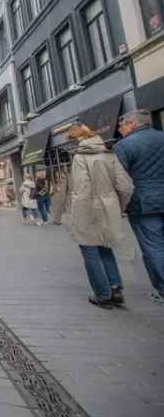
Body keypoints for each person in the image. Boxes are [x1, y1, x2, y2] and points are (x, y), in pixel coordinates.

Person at [52, 123, 133, 309]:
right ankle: (115, 288)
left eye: (70, 141)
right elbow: (125, 187)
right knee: (105, 246)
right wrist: (116, 207)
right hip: (108, 207)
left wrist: (73, 217)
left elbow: (81, 190)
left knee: (90, 251)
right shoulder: (109, 154)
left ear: (77, 138)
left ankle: (102, 295)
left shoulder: (80, 157)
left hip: (87, 209)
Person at [114, 109, 164, 305]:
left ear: (132, 124)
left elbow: (122, 182)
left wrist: (121, 205)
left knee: (154, 246)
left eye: (122, 125)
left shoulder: (124, 146)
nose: (120, 129)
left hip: (144, 204)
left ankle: (162, 288)